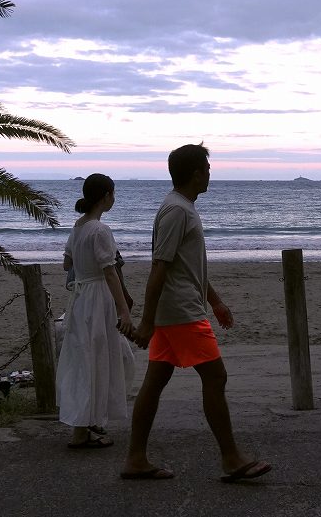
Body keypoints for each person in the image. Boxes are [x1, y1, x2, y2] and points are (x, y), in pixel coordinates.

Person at [121, 143, 271, 482]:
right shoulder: (177, 210)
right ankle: (232, 459)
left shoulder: (182, 207)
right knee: (215, 377)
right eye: (206, 168)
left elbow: (188, 267)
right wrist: (147, 320)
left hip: (180, 308)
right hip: (181, 312)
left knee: (155, 381)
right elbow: (159, 266)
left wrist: (215, 301)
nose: (210, 173)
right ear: (194, 173)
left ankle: (135, 458)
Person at [56, 173, 135, 448]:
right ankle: (84, 428)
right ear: (105, 196)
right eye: (112, 194)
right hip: (97, 296)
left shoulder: (78, 227)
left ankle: (88, 422)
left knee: (84, 358)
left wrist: (84, 264)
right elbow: (110, 272)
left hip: (80, 296)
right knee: (98, 358)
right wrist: (124, 310)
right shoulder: (100, 230)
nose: (114, 199)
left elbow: (67, 264)